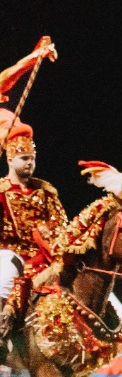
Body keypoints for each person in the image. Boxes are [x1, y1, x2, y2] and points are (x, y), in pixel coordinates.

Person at [0, 121, 67, 339]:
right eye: (24, 158)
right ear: (10, 159)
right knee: (5, 274)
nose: (30, 163)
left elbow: (61, 228)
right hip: (10, 255)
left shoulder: (46, 193)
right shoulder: (1, 193)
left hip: (45, 258)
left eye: (32, 158)